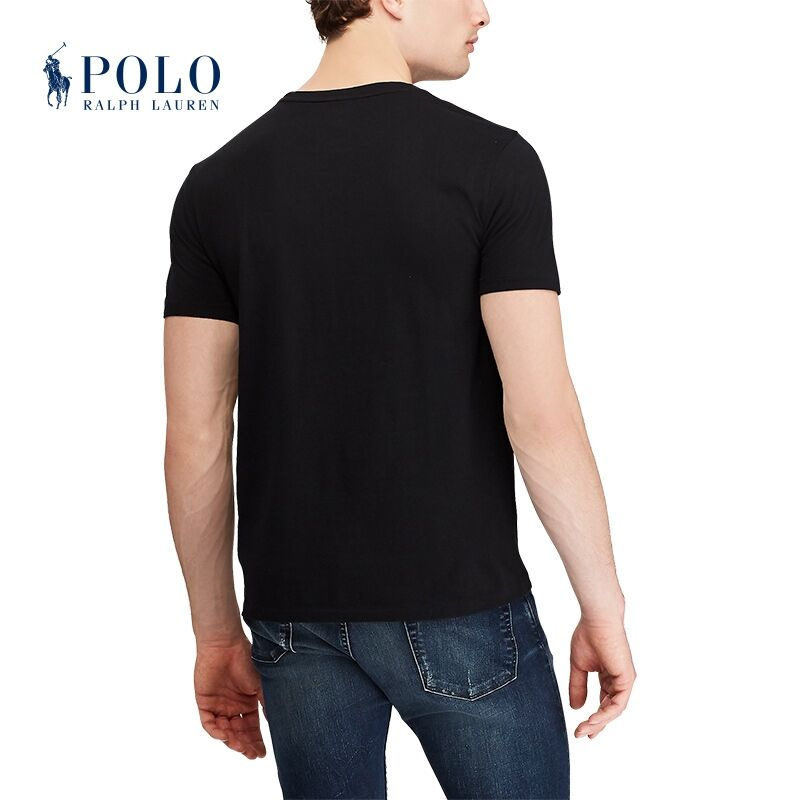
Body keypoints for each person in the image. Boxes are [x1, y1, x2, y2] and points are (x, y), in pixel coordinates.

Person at [162, 1, 636, 797]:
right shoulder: (492, 163)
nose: (483, 12)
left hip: (293, 619)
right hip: (460, 607)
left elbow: (197, 435)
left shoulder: (216, 185)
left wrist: (215, 633)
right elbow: (542, 415)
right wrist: (605, 608)